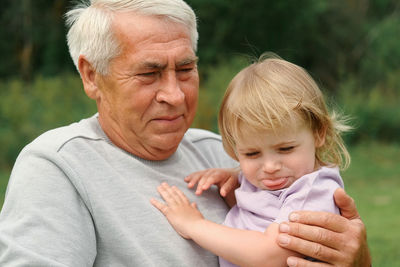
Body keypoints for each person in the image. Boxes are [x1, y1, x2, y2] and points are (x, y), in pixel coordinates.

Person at [0, 0, 370, 266]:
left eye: (185, 69)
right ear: (92, 76)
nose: (174, 95)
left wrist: (356, 258)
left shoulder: (223, 154)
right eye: (149, 73)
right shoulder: (57, 165)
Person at [151, 55, 357, 266]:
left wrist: (194, 225)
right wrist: (237, 183)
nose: (270, 167)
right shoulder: (277, 184)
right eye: (252, 154)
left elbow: (270, 255)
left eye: (285, 149)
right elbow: (256, 218)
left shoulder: (313, 192)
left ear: (318, 133)